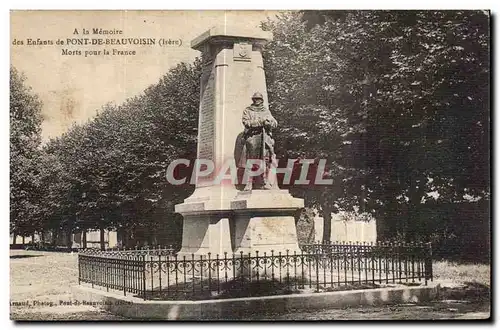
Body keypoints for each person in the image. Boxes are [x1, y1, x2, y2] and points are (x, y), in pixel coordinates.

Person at [240, 92, 278, 191]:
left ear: (262, 100)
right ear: (253, 100)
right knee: (252, 160)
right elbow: (246, 122)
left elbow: (274, 123)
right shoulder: (248, 111)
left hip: (265, 138)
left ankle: (265, 182)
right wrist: (260, 122)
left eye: (259, 99)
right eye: (255, 99)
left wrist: (269, 123)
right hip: (253, 136)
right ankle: (249, 183)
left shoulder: (266, 111)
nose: (257, 100)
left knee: (265, 160)